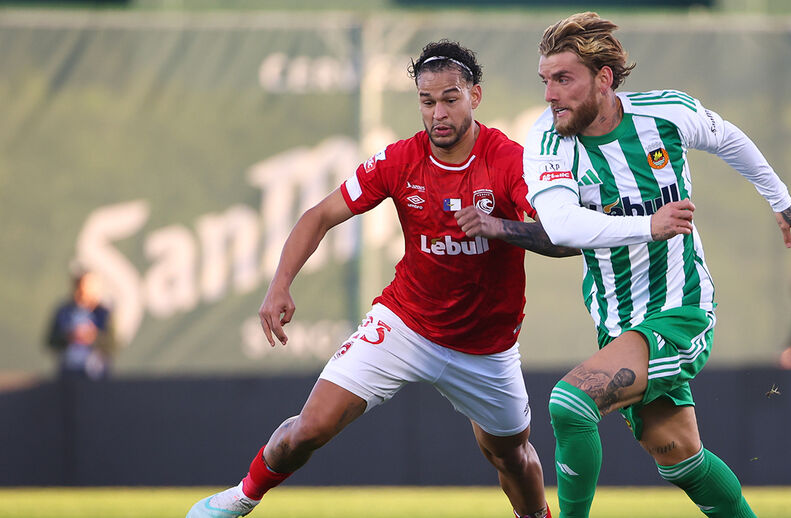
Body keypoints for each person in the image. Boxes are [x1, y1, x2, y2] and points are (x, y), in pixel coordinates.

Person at [187, 40, 573, 518]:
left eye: (450, 99)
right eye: (427, 102)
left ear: (475, 95)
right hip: (405, 324)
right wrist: (279, 283)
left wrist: (500, 227)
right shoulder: (399, 160)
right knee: (310, 428)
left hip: (486, 346)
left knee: (511, 455)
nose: (438, 114)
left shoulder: (510, 161)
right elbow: (320, 213)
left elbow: (563, 238)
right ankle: (240, 498)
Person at [519, 12, 791, 518]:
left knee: (570, 403)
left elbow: (729, 138)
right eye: (545, 80)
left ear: (603, 79)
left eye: (563, 79)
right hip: (618, 325)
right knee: (681, 460)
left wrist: (780, 199)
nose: (550, 95)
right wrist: (648, 225)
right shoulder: (548, 141)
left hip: (680, 310)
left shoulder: (665, 113)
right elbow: (562, 224)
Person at [46, 270, 116, 380]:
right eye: (79, 287)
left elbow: (113, 344)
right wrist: (68, 336)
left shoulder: (104, 313)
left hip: (97, 374)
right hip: (69, 373)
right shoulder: (64, 311)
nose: (82, 293)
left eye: (87, 288)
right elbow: (51, 341)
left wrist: (93, 337)